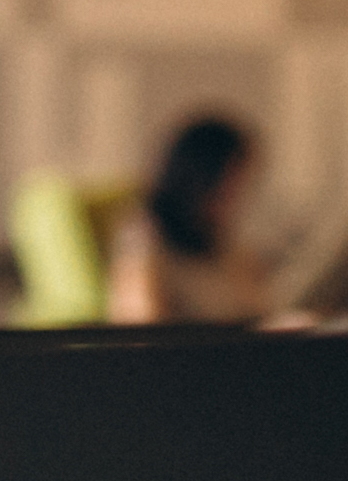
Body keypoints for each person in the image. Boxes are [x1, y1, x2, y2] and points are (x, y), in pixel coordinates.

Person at [106, 112, 272, 325]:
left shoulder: (227, 248)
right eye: (228, 187)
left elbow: (258, 314)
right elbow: (142, 333)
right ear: (199, 180)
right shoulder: (143, 248)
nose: (237, 199)